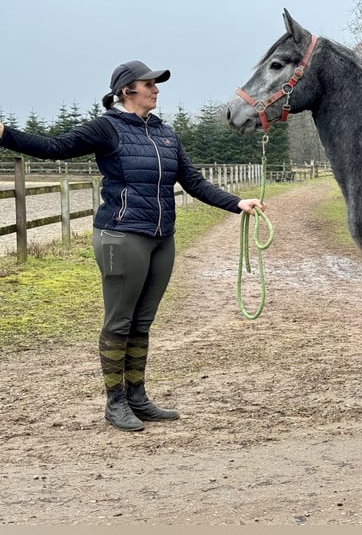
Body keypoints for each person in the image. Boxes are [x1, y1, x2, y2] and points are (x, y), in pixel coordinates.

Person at [0, 60, 265, 432]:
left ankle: (138, 396)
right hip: (122, 236)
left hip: (162, 239)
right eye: (149, 84)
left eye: (156, 84)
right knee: (120, 321)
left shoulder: (165, 133)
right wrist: (4, 134)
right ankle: (115, 402)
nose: (156, 89)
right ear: (127, 91)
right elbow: (54, 147)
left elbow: (192, 181)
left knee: (142, 322)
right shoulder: (106, 127)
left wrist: (237, 203)